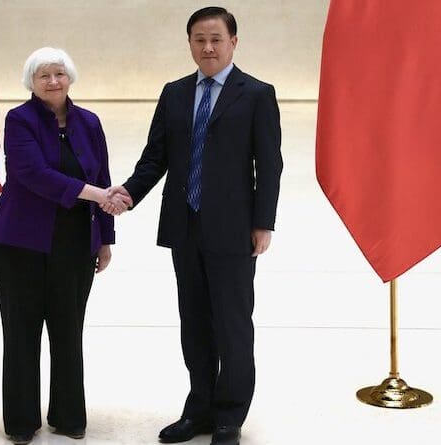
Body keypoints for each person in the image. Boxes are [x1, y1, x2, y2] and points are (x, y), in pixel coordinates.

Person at [106, 7, 282, 445]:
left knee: (232, 325)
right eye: (199, 39)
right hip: (185, 226)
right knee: (195, 325)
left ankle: (229, 416)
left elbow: (270, 166)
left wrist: (263, 224)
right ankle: (199, 407)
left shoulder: (256, 94)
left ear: (233, 43)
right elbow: (155, 157)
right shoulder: (175, 93)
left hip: (234, 230)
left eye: (216, 39)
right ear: (189, 44)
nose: (207, 47)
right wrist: (127, 194)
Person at [0, 47, 129, 445]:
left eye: (59, 74)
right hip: (19, 243)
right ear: (30, 82)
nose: (53, 81)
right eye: (43, 76)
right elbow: (35, 174)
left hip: (74, 245)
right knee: (22, 331)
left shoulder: (89, 122)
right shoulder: (19, 120)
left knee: (68, 331)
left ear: (71, 78)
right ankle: (20, 422)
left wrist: (104, 239)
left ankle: (68, 417)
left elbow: (102, 174)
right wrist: (99, 194)